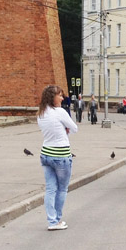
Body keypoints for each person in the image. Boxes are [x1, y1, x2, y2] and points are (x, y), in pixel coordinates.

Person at [37, 85, 78, 231]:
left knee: (50, 189)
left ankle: (51, 221)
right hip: (60, 155)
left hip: (45, 154)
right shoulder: (60, 112)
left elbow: (51, 130)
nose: (62, 98)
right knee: (62, 189)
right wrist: (65, 129)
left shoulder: (41, 113)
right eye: (60, 95)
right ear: (52, 97)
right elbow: (74, 128)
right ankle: (57, 221)